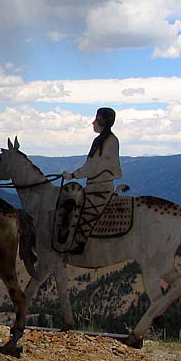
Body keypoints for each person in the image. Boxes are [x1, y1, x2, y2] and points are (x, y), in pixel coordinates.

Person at [62, 107, 121, 254]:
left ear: (104, 121)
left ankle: (81, 244)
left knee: (81, 212)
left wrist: (72, 175)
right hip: (95, 186)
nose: (93, 122)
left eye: (97, 118)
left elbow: (93, 166)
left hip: (99, 188)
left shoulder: (108, 141)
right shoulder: (104, 140)